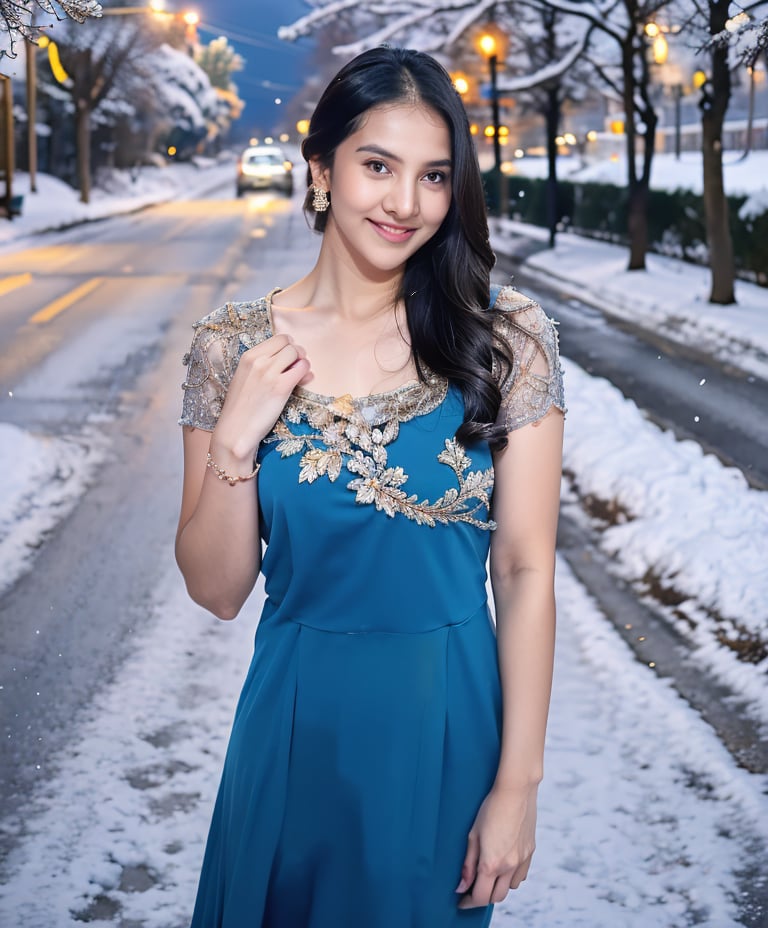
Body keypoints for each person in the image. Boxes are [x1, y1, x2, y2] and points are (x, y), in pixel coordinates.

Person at [176, 45, 565, 928]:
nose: (405, 203)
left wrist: (518, 784)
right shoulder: (231, 347)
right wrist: (237, 437)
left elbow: (526, 571)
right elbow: (216, 588)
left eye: (433, 176)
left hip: (446, 727)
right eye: (377, 166)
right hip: (293, 723)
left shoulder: (506, 340)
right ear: (321, 169)